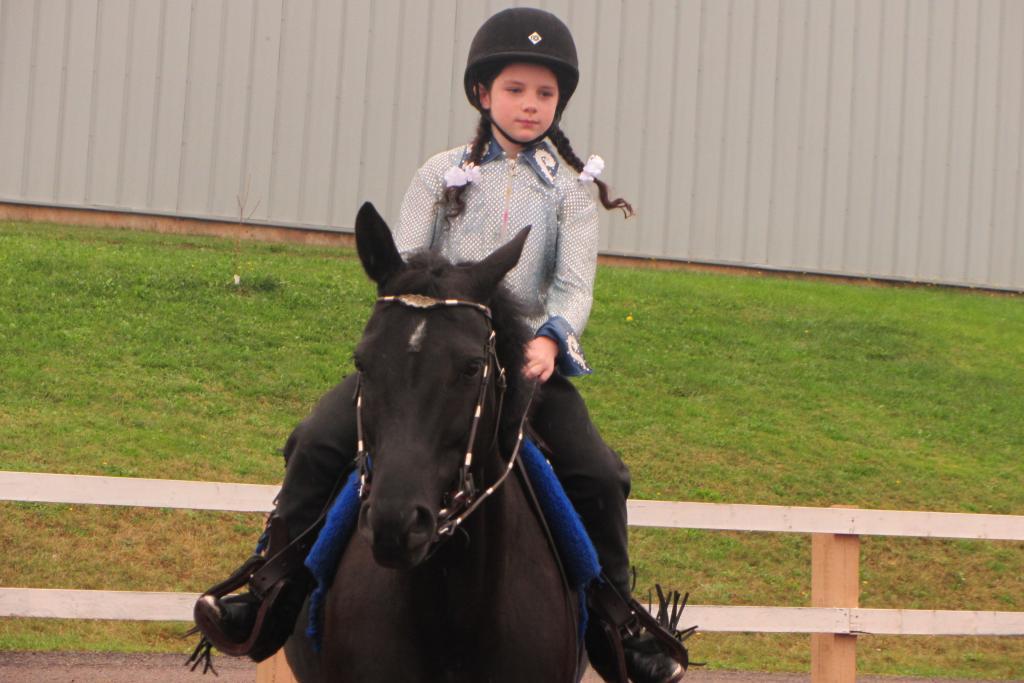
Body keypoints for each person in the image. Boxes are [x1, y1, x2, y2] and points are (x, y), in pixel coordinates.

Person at [192, 8, 684, 682]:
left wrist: (550, 340)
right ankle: (271, 588)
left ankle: (617, 622)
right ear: (483, 93)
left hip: (522, 366)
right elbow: (404, 265)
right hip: (425, 362)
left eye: (545, 93)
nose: (530, 104)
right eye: (515, 89)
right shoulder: (438, 173)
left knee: (597, 472)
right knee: (317, 439)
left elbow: (573, 288)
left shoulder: (571, 194)